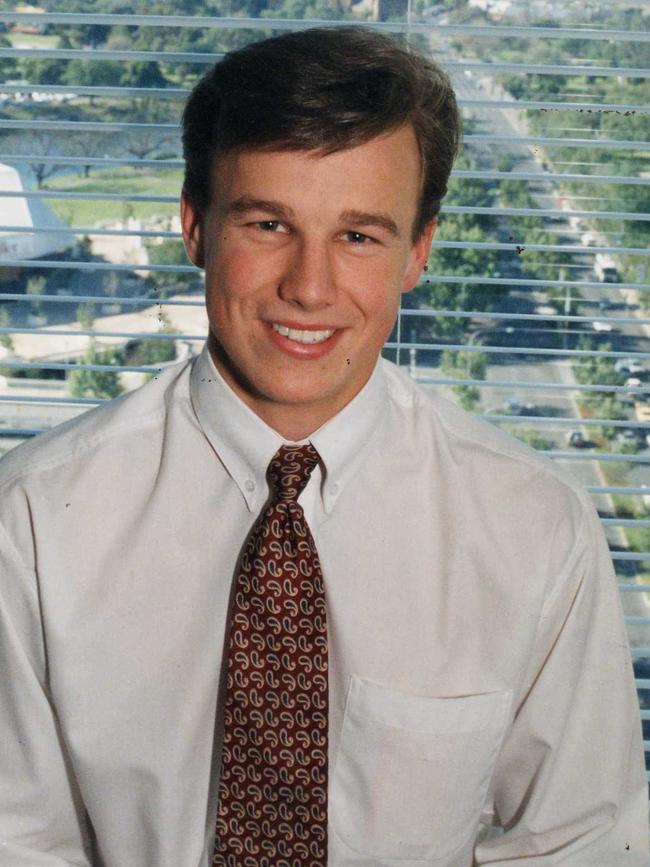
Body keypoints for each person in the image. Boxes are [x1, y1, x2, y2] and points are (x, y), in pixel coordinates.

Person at [0, 26, 647, 867]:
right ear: (195, 226)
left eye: (359, 236)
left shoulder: (535, 531)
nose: (309, 287)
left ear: (417, 251)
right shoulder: (32, 520)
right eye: (269, 223)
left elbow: (582, 846)